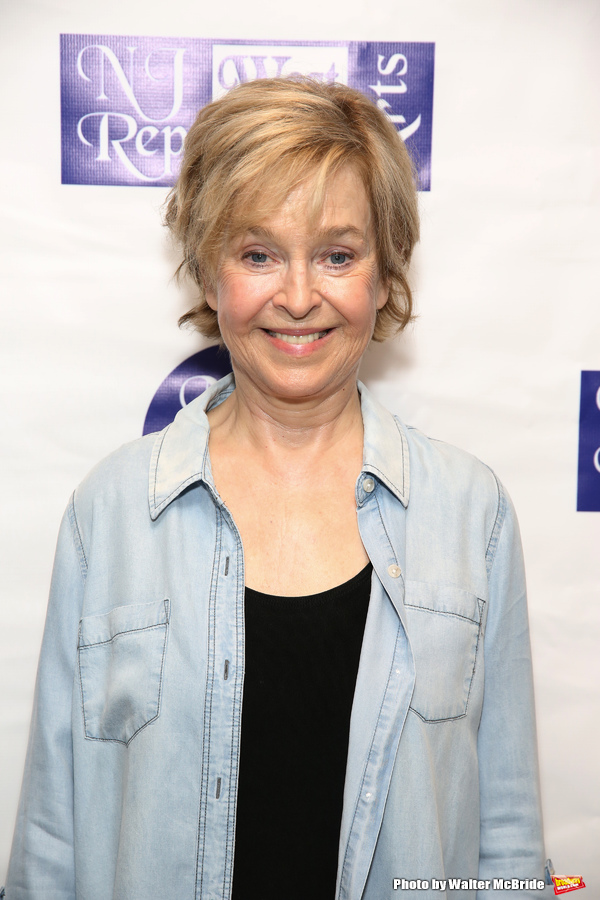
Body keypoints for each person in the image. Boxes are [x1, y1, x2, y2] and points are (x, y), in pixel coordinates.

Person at [5, 78, 547, 899]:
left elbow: (506, 841)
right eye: (258, 254)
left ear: (384, 272)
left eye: (338, 255)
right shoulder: (109, 513)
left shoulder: (473, 516)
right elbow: (53, 842)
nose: (298, 298)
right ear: (208, 271)